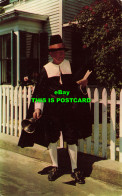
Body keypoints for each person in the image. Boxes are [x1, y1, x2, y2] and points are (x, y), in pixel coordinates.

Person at [18, 34, 92, 183]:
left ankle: (75, 169)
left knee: (72, 139)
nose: (62, 54)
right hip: (52, 112)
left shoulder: (70, 66)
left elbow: (76, 88)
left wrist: (84, 85)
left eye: (63, 51)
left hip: (69, 109)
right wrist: (38, 108)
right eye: (58, 52)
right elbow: (40, 91)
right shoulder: (46, 69)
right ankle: (54, 166)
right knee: (52, 139)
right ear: (51, 54)